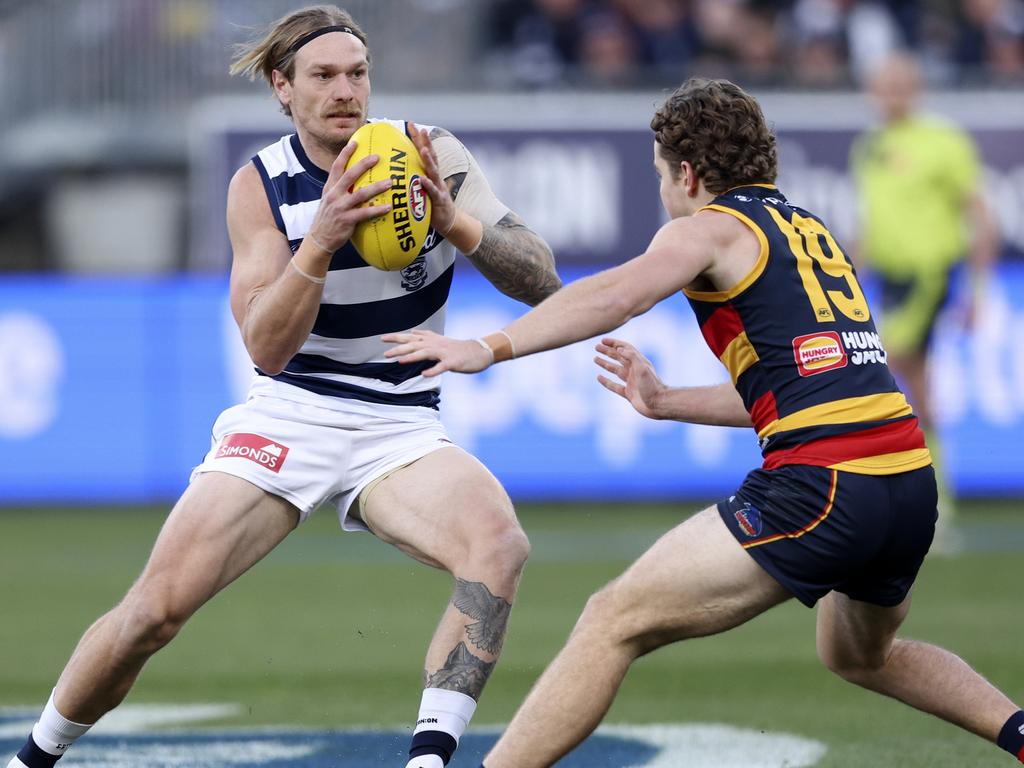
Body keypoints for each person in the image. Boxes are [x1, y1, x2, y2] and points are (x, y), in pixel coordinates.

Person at [384, 77, 1024, 768]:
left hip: (827, 484)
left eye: (662, 174)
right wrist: (666, 401)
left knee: (612, 618)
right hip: (904, 481)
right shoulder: (808, 230)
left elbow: (618, 293)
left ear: (687, 172)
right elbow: (807, 386)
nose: (664, 190)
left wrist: (488, 346)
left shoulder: (711, 227)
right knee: (861, 655)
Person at [5, 6, 560, 768]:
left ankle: (429, 760)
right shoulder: (260, 186)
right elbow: (266, 347)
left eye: (357, 74)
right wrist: (323, 240)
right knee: (152, 615)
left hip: (401, 424)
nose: (345, 91)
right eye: (323, 77)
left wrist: (457, 222)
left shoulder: (430, 155)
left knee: (499, 547)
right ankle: (34, 758)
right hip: (293, 411)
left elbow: (541, 279)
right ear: (282, 88)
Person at [851, 51, 999, 516]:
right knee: (916, 386)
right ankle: (935, 494)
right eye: (883, 84)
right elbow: (871, 224)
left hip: (931, 276)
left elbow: (980, 217)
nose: (891, 93)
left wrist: (977, 293)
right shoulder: (870, 147)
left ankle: (904, 491)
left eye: (900, 84)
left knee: (885, 368)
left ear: (916, 88)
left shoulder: (942, 142)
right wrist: (850, 279)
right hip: (891, 280)